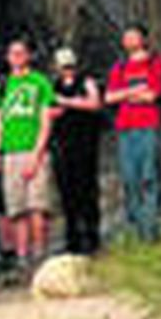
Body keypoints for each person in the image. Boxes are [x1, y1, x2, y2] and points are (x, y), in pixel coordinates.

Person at [0, 40, 56, 273]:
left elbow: (46, 119)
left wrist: (37, 154)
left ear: (29, 56)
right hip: (10, 151)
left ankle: (40, 254)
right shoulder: (2, 85)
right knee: (16, 209)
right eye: (12, 53)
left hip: (34, 148)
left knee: (38, 206)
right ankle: (22, 257)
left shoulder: (40, 82)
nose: (16, 57)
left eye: (21, 53)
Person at [104, 25, 161, 241]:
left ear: (144, 39)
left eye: (134, 36)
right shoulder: (120, 67)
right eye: (126, 37)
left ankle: (150, 229)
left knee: (149, 176)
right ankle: (137, 224)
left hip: (149, 125)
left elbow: (152, 95)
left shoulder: (155, 63)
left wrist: (124, 94)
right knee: (129, 178)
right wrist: (133, 92)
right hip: (125, 128)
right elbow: (109, 98)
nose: (129, 40)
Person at [50, 47, 104, 254]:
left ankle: (92, 234)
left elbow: (94, 103)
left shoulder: (86, 81)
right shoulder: (54, 85)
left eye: (69, 65)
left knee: (87, 189)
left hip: (86, 143)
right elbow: (49, 110)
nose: (67, 70)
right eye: (63, 66)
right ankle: (72, 237)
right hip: (63, 144)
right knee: (67, 193)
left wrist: (68, 102)